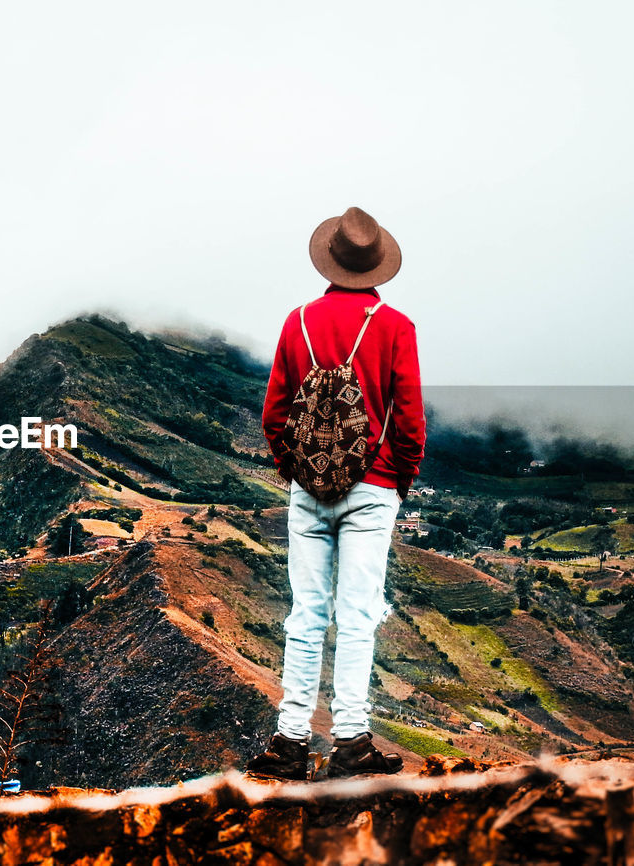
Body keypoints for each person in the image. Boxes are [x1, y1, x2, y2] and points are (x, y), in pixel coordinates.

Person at [247, 206, 426, 780]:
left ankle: (288, 742)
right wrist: (396, 478)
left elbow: (275, 414)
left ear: (328, 259)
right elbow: (410, 421)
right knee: (357, 614)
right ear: (376, 265)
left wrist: (294, 468)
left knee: (305, 614)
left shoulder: (298, 322)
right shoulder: (395, 326)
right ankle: (350, 740)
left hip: (308, 489)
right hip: (372, 488)